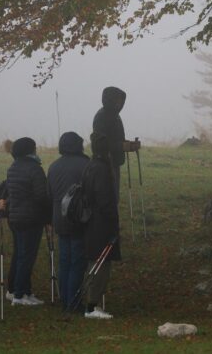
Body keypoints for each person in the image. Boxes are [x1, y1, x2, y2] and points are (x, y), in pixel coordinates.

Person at [47, 131, 90, 312]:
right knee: (78, 261)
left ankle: (64, 299)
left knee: (64, 260)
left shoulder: (54, 166)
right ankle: (74, 302)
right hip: (78, 216)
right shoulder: (86, 164)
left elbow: (49, 194)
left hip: (59, 217)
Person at [4, 137, 51, 306]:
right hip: (31, 218)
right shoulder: (34, 169)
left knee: (19, 254)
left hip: (15, 217)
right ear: (30, 151)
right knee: (27, 257)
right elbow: (41, 196)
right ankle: (19, 295)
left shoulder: (13, 167)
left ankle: (20, 290)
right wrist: (48, 215)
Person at [81, 131, 122, 319]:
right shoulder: (102, 169)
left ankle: (91, 302)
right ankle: (92, 305)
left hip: (91, 221)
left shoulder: (90, 166)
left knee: (94, 262)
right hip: (102, 223)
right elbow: (106, 200)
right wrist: (114, 224)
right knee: (101, 264)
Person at [91, 86, 140, 203]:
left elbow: (115, 138)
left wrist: (128, 144)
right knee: (108, 199)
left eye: (121, 100)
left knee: (114, 197)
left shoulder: (115, 116)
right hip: (104, 164)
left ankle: (113, 220)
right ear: (110, 100)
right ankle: (110, 221)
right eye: (117, 100)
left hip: (114, 162)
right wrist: (121, 146)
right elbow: (99, 144)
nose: (120, 103)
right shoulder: (101, 116)